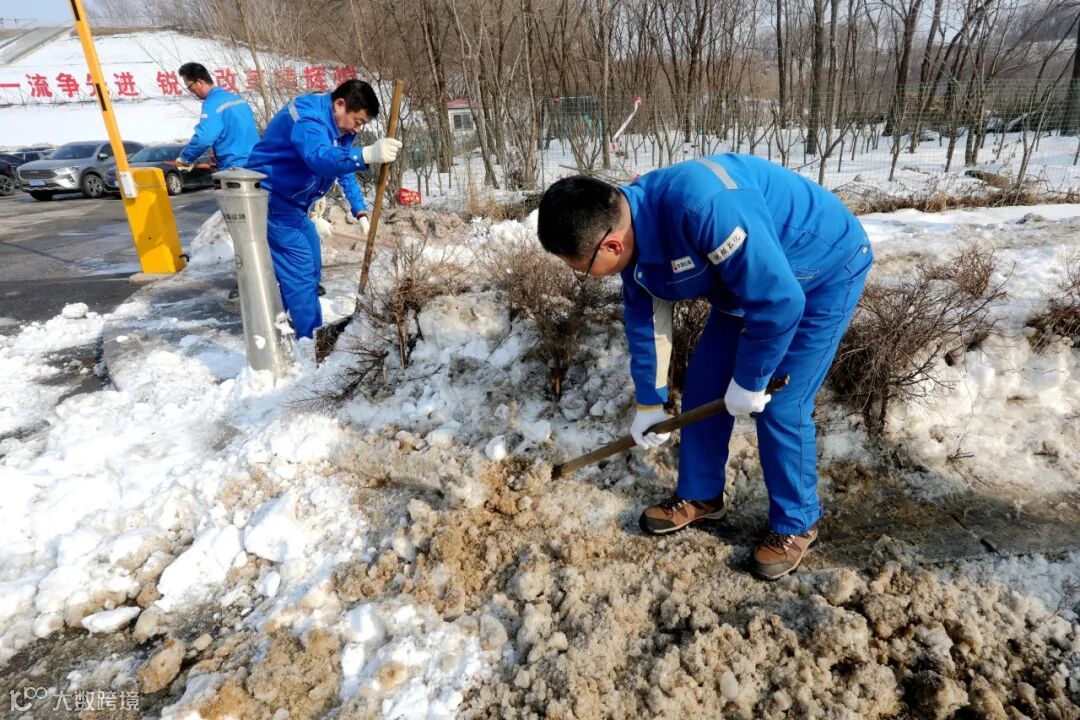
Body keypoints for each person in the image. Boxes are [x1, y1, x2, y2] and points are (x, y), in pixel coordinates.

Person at [536, 154, 873, 580]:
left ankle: (796, 523)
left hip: (823, 269)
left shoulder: (704, 207)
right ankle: (701, 497)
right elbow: (646, 321)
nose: (587, 276)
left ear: (611, 246)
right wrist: (650, 403)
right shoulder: (632, 233)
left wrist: (751, 380)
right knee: (704, 388)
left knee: (783, 405)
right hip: (748, 286)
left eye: (583, 270)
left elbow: (779, 301)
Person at [246, 79, 401, 339]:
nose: (358, 128)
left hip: (295, 205)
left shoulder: (338, 126)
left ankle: (291, 317)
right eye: (358, 121)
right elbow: (319, 159)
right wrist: (365, 155)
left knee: (313, 265)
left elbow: (343, 169)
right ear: (340, 104)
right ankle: (309, 341)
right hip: (272, 202)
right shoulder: (308, 118)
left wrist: (360, 211)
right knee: (301, 272)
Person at [175, 62, 259, 171]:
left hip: (236, 169)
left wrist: (185, 159)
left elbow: (204, 138)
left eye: (190, 87)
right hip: (257, 163)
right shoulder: (238, 100)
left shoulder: (212, 104)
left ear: (199, 82)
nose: (191, 92)